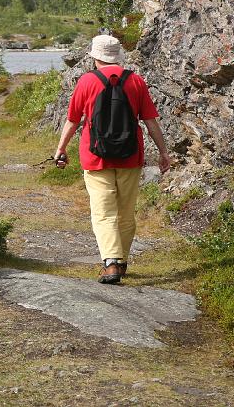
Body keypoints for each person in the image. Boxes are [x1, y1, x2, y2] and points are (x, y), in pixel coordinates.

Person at [54, 35, 171, 284]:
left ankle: (111, 262)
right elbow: (150, 122)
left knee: (103, 213)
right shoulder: (136, 81)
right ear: (117, 56)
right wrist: (163, 152)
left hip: (96, 157)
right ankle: (122, 261)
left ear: (95, 57)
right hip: (131, 156)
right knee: (126, 213)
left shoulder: (86, 81)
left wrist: (61, 148)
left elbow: (73, 120)